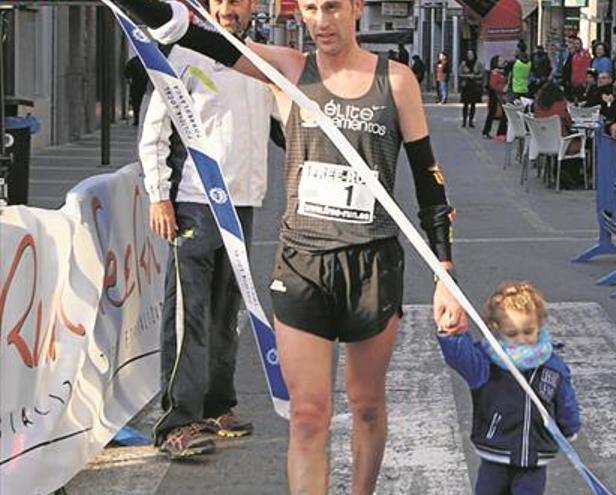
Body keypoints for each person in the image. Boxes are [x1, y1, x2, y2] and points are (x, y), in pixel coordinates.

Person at [116, 0, 468, 493]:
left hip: (371, 264)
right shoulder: (288, 69)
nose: (321, 21)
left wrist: (444, 275)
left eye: (332, 8)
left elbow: (430, 186)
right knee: (307, 415)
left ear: (355, 9)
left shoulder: (398, 80)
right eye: (310, 9)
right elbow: (197, 37)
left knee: (366, 406)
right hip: (303, 263)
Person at [138, 0, 279, 460]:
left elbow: (283, 125)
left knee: (227, 311)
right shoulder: (182, 54)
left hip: (244, 203)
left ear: (252, 6)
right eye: (218, 0)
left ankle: (219, 405)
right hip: (196, 204)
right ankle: (176, 422)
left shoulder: (261, 60)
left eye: (237, 1)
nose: (227, 8)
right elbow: (154, 131)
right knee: (188, 315)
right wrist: (160, 195)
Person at [436, 281, 581, 495]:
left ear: (539, 326)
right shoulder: (488, 362)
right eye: (512, 334)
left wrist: (569, 427)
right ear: (497, 330)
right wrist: (452, 335)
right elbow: (462, 359)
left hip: (535, 456)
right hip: (496, 451)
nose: (522, 340)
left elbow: (565, 400)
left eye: (528, 331)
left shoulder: (552, 365)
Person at [533, 82, 584, 188]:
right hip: (562, 143)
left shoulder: (538, 105)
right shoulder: (561, 104)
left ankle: (560, 174)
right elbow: (569, 122)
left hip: (543, 142)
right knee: (583, 144)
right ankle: (573, 176)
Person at [482, 55, 508, 139]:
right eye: (500, 60)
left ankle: (501, 132)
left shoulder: (501, 72)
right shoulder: (494, 72)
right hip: (495, 94)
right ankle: (487, 131)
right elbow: (493, 85)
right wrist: (502, 88)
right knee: (492, 112)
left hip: (500, 94)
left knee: (501, 113)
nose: (502, 61)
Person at [459, 49, 486, 128]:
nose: (470, 56)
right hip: (466, 86)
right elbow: (460, 73)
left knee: (473, 104)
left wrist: (475, 76)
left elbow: (482, 74)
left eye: (471, 54)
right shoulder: (463, 64)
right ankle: (464, 121)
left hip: (474, 86)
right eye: (468, 54)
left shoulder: (478, 63)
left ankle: (471, 121)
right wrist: (467, 76)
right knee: (465, 104)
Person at [123, 55, 148, 125]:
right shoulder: (146, 61)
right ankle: (139, 119)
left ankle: (137, 119)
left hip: (136, 86)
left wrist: (129, 79)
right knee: (140, 103)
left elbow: (126, 72)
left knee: (136, 104)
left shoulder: (134, 61)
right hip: (142, 86)